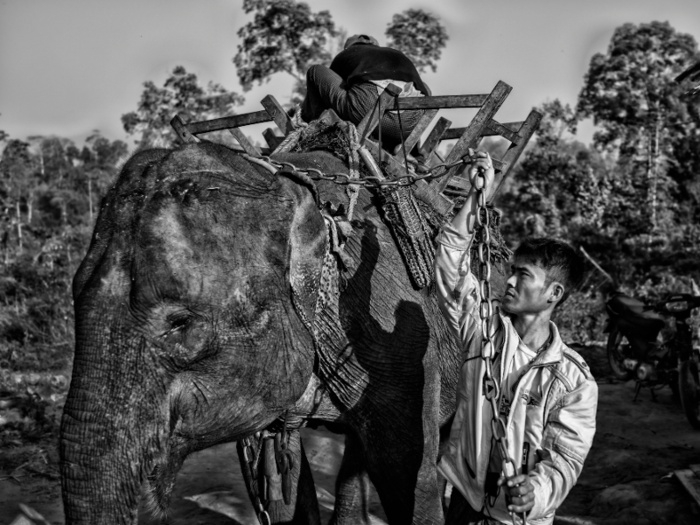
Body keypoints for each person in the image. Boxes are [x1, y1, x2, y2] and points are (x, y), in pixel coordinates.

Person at [434, 151, 598, 524]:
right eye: (511, 271)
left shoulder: (573, 380)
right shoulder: (483, 332)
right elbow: (449, 266)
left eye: (522, 275)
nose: (508, 281)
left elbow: (566, 459)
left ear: (553, 294)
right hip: (466, 499)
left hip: (521, 516)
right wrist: (477, 199)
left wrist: (536, 492)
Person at [300, 34, 431, 150]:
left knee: (315, 71)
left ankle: (314, 131)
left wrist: (305, 110)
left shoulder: (349, 53)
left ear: (360, 41)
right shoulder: (396, 54)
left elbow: (326, 90)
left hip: (367, 111)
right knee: (422, 87)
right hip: (408, 127)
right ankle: (409, 149)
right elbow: (426, 93)